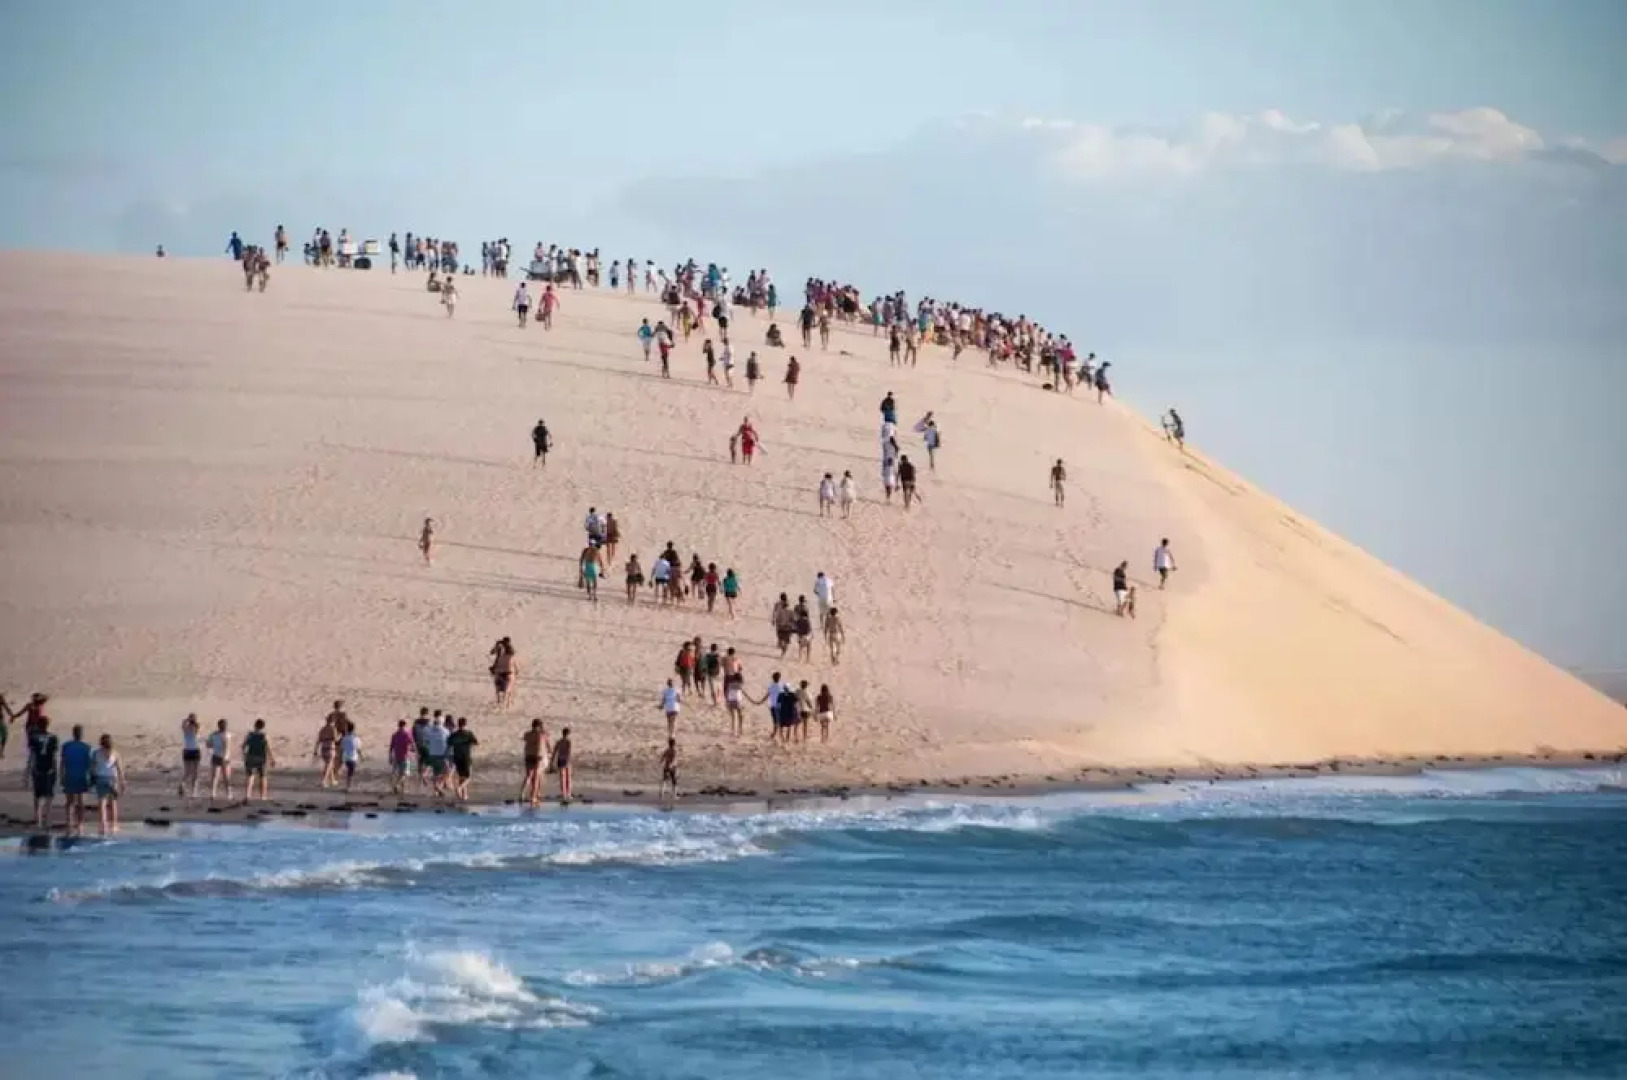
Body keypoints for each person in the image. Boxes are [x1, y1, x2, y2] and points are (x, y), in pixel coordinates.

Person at [59, 725, 93, 835]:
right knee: (80, 802)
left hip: (70, 775)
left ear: (73, 734)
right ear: (81, 734)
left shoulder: (66, 746)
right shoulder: (86, 747)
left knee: (70, 802)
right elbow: (89, 765)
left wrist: (61, 775)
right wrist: (90, 777)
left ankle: (70, 822)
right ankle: (80, 823)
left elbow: (62, 762)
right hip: (81, 776)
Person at [89, 733, 124, 833]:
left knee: (102, 803)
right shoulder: (115, 753)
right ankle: (114, 825)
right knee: (113, 802)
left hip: (100, 778)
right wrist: (122, 781)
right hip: (112, 779)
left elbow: (92, 767)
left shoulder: (96, 753)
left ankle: (103, 825)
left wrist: (92, 777)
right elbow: (119, 768)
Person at [29, 714, 58, 828]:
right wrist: (55, 769)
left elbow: (32, 755)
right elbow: (54, 755)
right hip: (49, 768)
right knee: (49, 795)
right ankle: (48, 817)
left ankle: (38, 818)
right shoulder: (53, 738)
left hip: (38, 768)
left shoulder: (34, 737)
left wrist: (28, 770)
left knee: (37, 794)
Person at [521, 719, 551, 807]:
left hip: (528, 755)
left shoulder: (527, 734)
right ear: (539, 726)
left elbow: (525, 739)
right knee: (536, 777)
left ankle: (522, 793)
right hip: (537, 756)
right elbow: (547, 743)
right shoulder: (541, 734)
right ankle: (533, 796)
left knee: (528, 775)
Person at [244, 718, 275, 801]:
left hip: (250, 757)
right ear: (263, 727)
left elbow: (244, 746)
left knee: (250, 776)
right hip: (261, 758)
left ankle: (248, 795)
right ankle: (262, 796)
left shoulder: (250, 734)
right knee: (263, 777)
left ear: (255, 725)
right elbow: (268, 748)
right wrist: (272, 759)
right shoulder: (264, 736)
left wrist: (244, 755)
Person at [448, 717, 478, 800]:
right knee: (468, 777)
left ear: (458, 724)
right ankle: (460, 788)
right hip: (465, 756)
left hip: (457, 757)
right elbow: (476, 743)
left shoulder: (454, 734)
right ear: (465, 724)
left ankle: (463, 795)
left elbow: (449, 743)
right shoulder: (468, 733)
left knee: (462, 776)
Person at [207, 718, 233, 803]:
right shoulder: (215, 734)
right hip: (219, 757)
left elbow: (227, 746)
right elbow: (209, 745)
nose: (224, 726)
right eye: (223, 725)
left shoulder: (225, 735)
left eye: (224, 725)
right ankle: (213, 793)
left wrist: (224, 756)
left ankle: (228, 793)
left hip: (222, 757)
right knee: (216, 776)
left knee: (225, 777)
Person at [388, 719, 415, 795]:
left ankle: (402, 789)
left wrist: (390, 757)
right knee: (404, 774)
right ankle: (397, 785)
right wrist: (416, 753)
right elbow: (413, 744)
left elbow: (391, 747)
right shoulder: (407, 734)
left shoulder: (395, 735)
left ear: (398, 725)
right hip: (405, 757)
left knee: (400, 773)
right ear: (405, 726)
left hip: (397, 756)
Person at [179, 712, 202, 797]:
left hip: (187, 751)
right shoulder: (194, 728)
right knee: (194, 773)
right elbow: (197, 726)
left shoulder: (186, 729)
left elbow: (183, 724)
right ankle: (193, 792)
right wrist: (191, 720)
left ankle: (183, 784)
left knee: (188, 772)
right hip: (194, 750)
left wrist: (188, 719)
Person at [490, 637, 518, 707]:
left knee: (498, 687)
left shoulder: (500, 645)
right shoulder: (510, 651)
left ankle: (499, 700)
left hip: (500, 668)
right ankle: (506, 701)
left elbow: (492, 652)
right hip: (507, 669)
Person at [551, 726, 573, 802]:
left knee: (562, 778)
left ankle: (563, 794)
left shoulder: (559, 741)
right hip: (566, 760)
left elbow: (554, 751)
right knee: (568, 778)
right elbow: (569, 752)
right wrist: (568, 760)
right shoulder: (568, 741)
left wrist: (552, 761)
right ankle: (568, 793)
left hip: (560, 759)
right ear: (568, 734)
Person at [339, 722, 362, 792]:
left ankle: (348, 786)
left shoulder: (344, 738)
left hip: (346, 758)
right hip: (353, 758)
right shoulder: (356, 738)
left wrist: (340, 758)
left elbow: (342, 749)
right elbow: (358, 749)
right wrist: (361, 756)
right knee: (350, 773)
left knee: (350, 772)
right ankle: (348, 787)